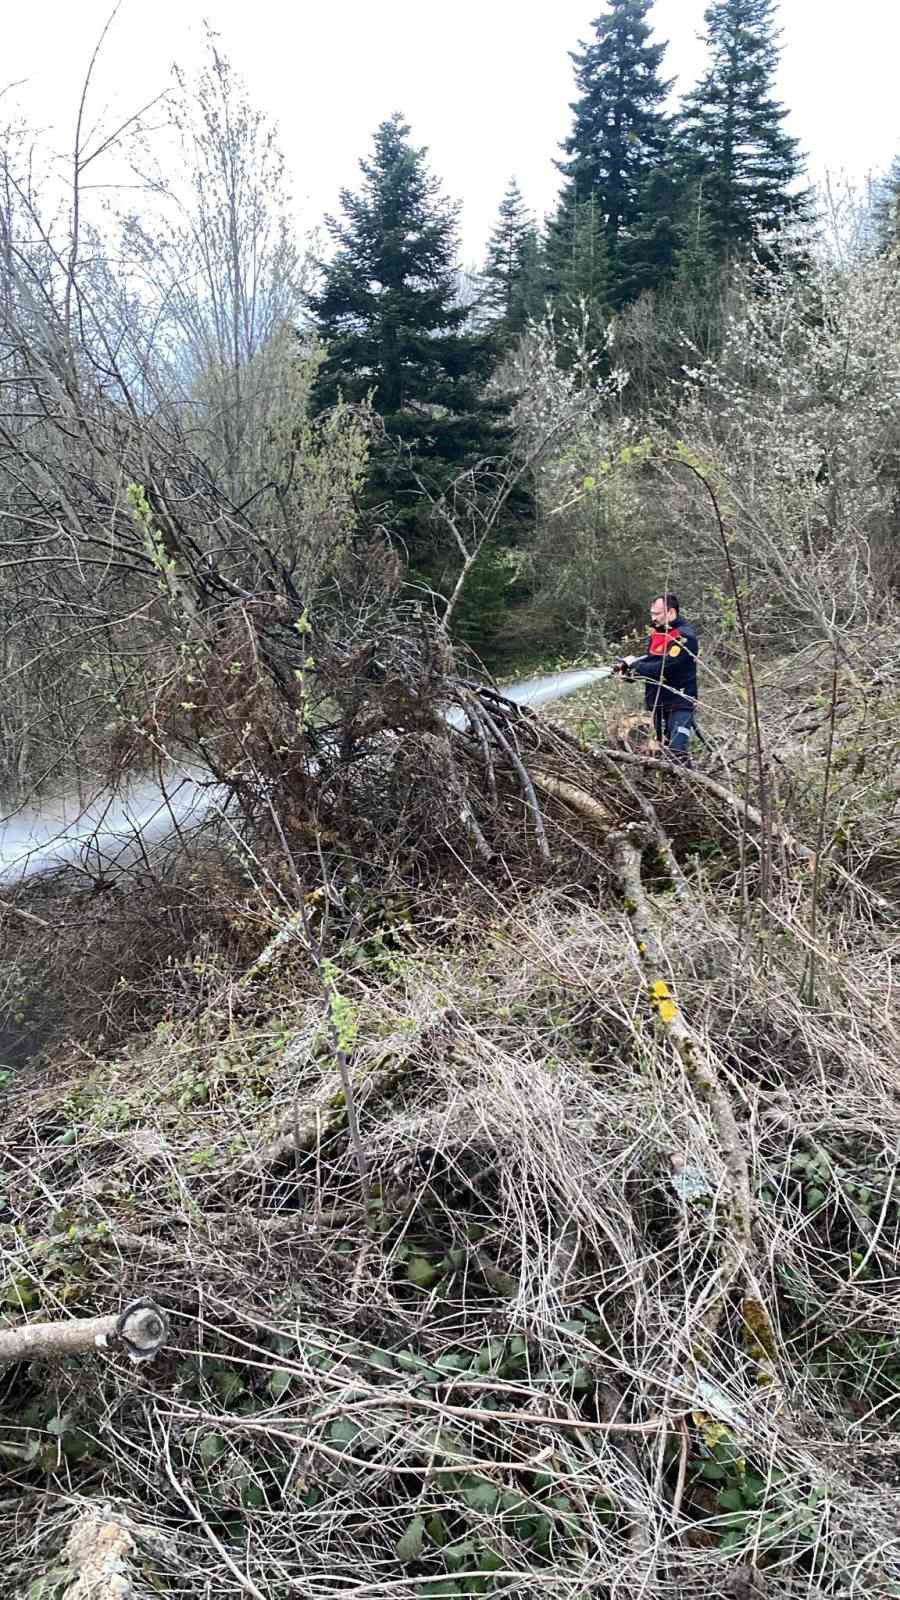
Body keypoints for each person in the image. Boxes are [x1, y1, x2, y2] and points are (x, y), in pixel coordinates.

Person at [614, 593, 699, 766]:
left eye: (657, 614)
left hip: (680, 703)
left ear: (670, 612)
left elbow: (665, 667)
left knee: (677, 752)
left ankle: (693, 788)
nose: (653, 618)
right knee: (661, 751)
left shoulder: (684, 637)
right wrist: (628, 671)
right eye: (651, 613)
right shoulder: (658, 633)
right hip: (657, 704)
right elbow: (651, 661)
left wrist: (635, 666)